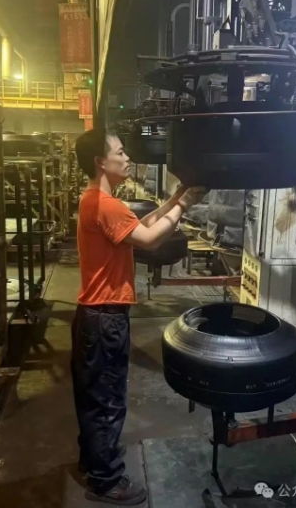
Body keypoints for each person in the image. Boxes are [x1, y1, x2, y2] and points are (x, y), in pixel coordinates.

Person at [71, 128, 206, 505]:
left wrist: (177, 198)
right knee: (108, 400)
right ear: (101, 162)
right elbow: (150, 240)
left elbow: (142, 226)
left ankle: (92, 462)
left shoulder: (97, 200)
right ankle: (105, 481)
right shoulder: (106, 204)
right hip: (105, 318)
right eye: (120, 151)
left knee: (93, 397)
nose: (127, 157)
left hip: (93, 316)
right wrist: (184, 205)